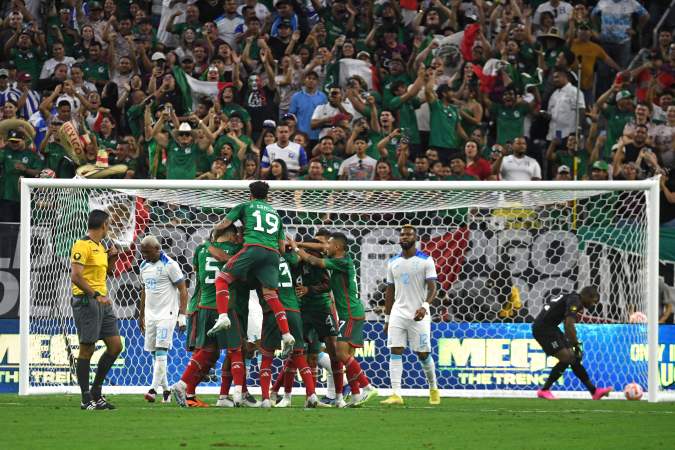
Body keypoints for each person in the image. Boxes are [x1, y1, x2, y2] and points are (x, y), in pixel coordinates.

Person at [209, 181, 296, 362]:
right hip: (272, 255)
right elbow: (281, 248)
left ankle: (223, 316)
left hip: (253, 248)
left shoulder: (245, 206)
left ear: (250, 194)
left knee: (222, 279)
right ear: (267, 196)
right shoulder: (275, 214)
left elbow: (225, 223)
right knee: (270, 294)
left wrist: (214, 231)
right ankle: (286, 334)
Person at [292, 232, 378, 408]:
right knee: (347, 356)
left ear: (337, 247)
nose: (326, 248)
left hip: (350, 313)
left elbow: (316, 261)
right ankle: (355, 394)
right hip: (350, 313)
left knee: (340, 354)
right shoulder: (341, 260)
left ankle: (367, 386)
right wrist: (301, 243)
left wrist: (295, 248)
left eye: (329, 245)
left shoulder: (342, 262)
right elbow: (322, 248)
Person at [381, 225, 439, 406]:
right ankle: (396, 393)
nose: (404, 237)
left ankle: (433, 388)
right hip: (398, 313)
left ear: (415, 238)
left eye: (409, 234)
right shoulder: (393, 262)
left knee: (423, 353)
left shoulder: (426, 261)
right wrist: (387, 318)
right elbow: (390, 292)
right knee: (395, 349)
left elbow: (433, 288)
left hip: (419, 314)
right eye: (402, 234)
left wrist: (424, 306)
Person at [69, 210, 121, 410]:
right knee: (87, 348)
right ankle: (85, 398)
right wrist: (95, 295)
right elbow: (76, 276)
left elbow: (106, 274)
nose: (109, 228)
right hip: (87, 301)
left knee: (116, 346)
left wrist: (112, 260)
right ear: (103, 225)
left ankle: (96, 392)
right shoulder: (82, 245)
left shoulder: (100, 246)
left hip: (102, 301)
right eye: (109, 225)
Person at [258, 251, 320, 408]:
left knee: (267, 357)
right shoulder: (287, 258)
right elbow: (297, 257)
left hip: (273, 310)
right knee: (299, 354)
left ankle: (265, 398)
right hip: (293, 310)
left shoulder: (260, 257)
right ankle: (311, 394)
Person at [532, 286, 613, 400]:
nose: (593, 305)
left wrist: (573, 344)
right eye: (593, 301)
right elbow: (569, 325)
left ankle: (594, 391)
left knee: (572, 358)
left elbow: (567, 325)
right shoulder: (575, 301)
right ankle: (544, 390)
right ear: (587, 296)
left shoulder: (572, 298)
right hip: (543, 329)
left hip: (552, 328)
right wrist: (576, 344)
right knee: (567, 358)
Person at [138, 235, 188, 404]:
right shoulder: (144, 266)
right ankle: (166, 391)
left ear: (158, 249)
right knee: (155, 353)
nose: (144, 255)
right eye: (142, 252)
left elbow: (182, 289)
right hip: (151, 314)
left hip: (167, 314)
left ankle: (153, 390)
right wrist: (141, 314)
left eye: (147, 252)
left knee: (161, 350)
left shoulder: (170, 265)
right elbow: (144, 289)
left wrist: (182, 315)